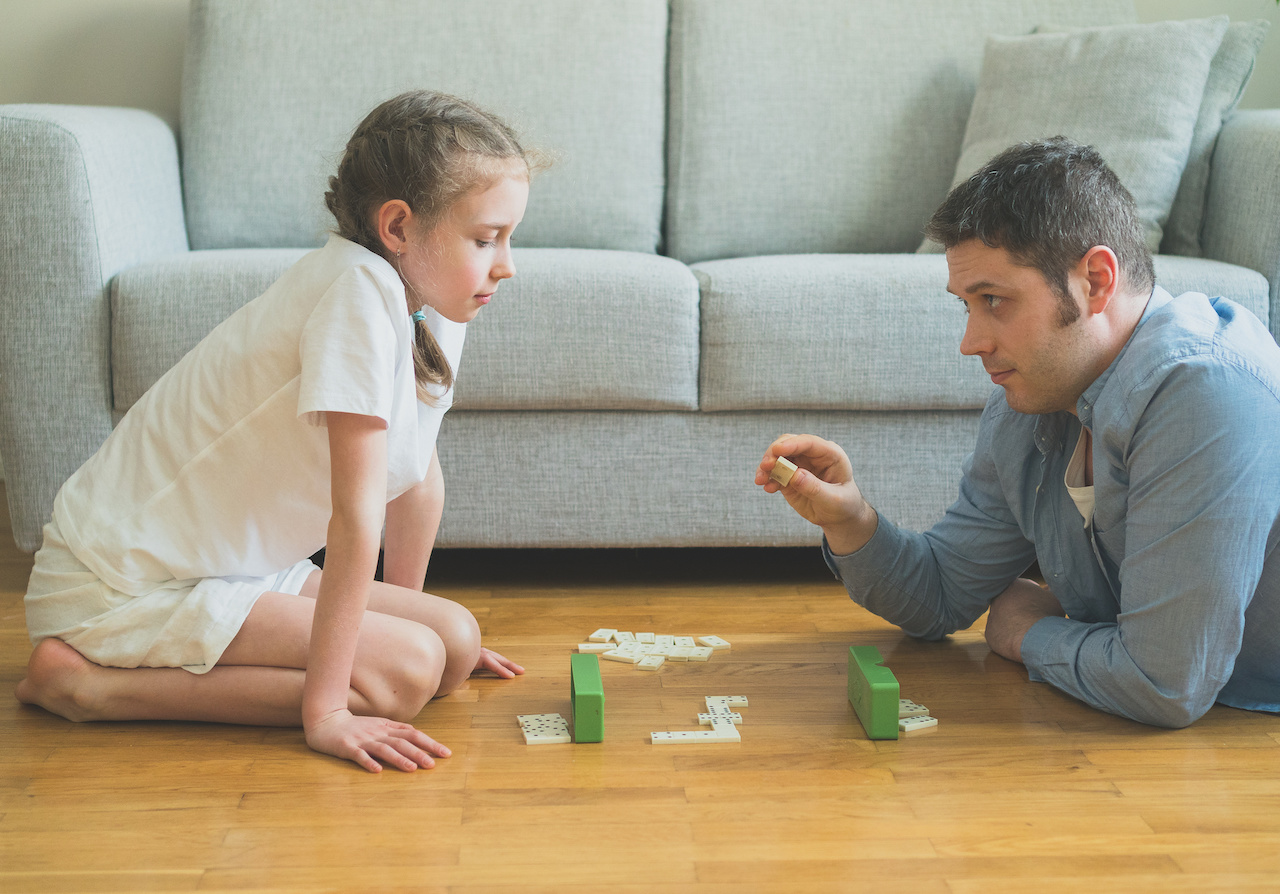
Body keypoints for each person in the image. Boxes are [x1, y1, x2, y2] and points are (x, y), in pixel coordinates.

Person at [16, 90, 531, 772]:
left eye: (507, 238)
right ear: (398, 228)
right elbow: (354, 519)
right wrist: (328, 712)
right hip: (128, 580)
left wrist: (415, 622)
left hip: (228, 563)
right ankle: (87, 685)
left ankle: (395, 660)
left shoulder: (430, 301)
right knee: (405, 677)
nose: (507, 263)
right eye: (485, 238)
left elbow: (416, 475)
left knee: (453, 645)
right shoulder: (355, 295)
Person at [757, 137, 1280, 728]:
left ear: (1097, 281)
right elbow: (939, 596)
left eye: (995, 301)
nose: (971, 342)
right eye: (966, 306)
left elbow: (1164, 683)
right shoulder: (1033, 401)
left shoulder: (1203, 390)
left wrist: (1028, 633)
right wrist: (850, 520)